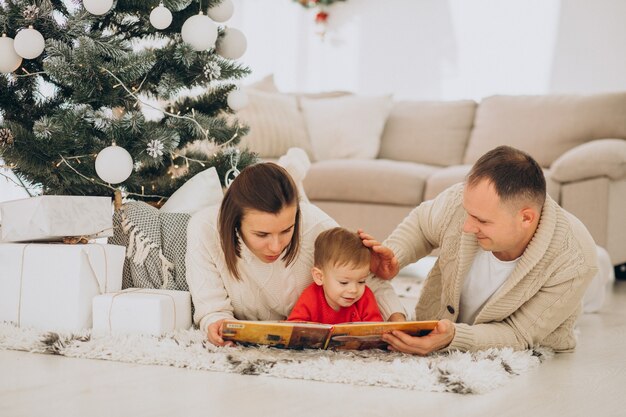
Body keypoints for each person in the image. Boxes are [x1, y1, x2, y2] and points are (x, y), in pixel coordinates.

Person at [362, 145, 598, 355]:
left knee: (594, 291)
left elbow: (518, 334)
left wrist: (454, 338)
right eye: (468, 213)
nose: (467, 226)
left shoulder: (575, 260)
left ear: (526, 218)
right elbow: (423, 225)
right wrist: (394, 255)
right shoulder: (465, 201)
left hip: (572, 274)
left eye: (482, 221)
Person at [186, 162, 405, 346]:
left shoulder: (313, 223)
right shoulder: (205, 229)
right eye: (262, 234)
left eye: (286, 230)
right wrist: (216, 324)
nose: (276, 246)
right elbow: (212, 309)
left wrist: (397, 321)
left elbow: (364, 282)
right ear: (236, 223)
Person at [287, 227, 384, 324]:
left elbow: (376, 329)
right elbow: (293, 328)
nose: (354, 290)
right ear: (319, 277)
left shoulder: (365, 298)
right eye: (344, 282)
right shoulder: (310, 298)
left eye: (361, 281)